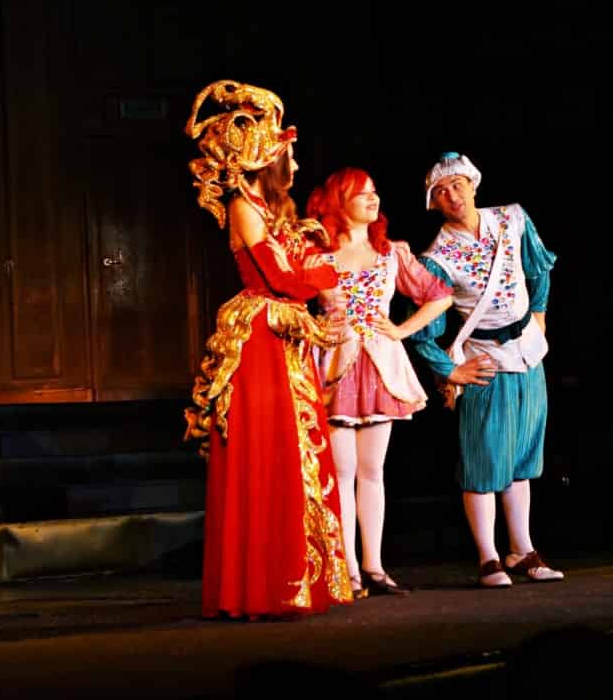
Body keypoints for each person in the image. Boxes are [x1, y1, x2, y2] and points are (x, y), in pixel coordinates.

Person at [182, 80, 353, 618]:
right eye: (287, 156)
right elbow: (282, 277)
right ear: (264, 159)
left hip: (284, 334)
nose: (295, 166)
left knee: (297, 450)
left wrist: (323, 273)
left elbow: (301, 270)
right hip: (261, 336)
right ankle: (262, 585)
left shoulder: (273, 209)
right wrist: (329, 272)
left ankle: (298, 580)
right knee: (270, 450)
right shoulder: (243, 207)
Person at [407, 152, 564, 588]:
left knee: (522, 455)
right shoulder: (437, 257)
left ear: (473, 185)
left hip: (527, 350)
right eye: (441, 192)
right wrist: (450, 371)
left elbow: (539, 268)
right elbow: (423, 328)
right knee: (484, 458)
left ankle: (522, 549)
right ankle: (488, 557)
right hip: (485, 360)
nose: (452, 196)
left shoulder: (512, 219)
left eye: (457, 185)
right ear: (434, 203)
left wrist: (539, 315)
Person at [307, 168, 455, 597]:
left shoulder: (391, 253)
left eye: (375, 192)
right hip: (335, 366)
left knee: (373, 471)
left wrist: (402, 330)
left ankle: (373, 565)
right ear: (340, 202)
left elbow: (440, 295)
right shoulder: (318, 256)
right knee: (341, 471)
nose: (373, 199)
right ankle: (348, 569)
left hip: (379, 367)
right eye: (362, 194)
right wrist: (320, 327)